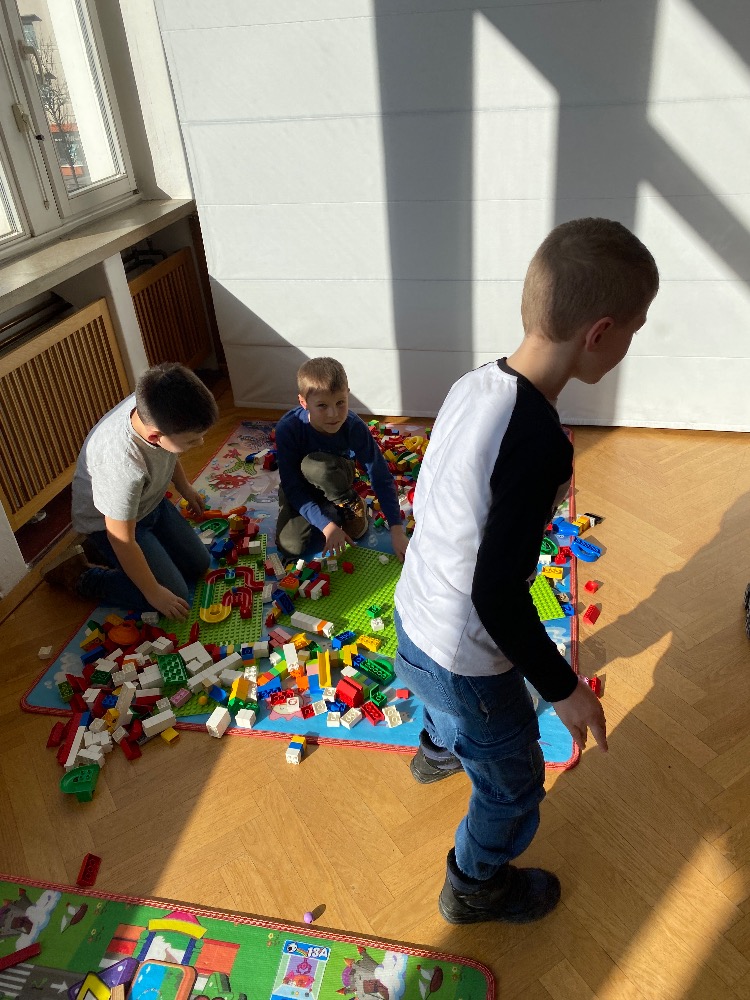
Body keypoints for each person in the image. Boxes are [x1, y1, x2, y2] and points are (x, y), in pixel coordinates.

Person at [394, 217, 659, 925]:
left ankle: (436, 750)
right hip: (465, 658)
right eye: (634, 330)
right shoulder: (538, 440)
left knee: (446, 708)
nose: (630, 346)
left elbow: (440, 504)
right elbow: (497, 594)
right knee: (512, 785)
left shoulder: (475, 382)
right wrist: (564, 688)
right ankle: (473, 885)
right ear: (599, 333)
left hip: (413, 617)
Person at [43, 362, 219, 621]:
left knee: (198, 564)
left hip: (149, 504)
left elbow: (167, 455)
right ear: (154, 436)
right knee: (172, 593)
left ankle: (105, 552)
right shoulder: (122, 466)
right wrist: (154, 593)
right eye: (192, 440)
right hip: (112, 528)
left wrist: (184, 486)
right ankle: (81, 575)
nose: (201, 443)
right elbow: (122, 540)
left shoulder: (154, 406)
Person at [274, 357, 409, 563]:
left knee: (316, 467)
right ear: (304, 403)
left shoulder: (353, 426)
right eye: (322, 405)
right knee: (291, 546)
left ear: (348, 394)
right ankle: (329, 513)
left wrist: (397, 531)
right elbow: (292, 486)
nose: (333, 414)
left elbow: (380, 475)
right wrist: (328, 527)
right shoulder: (288, 428)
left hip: (335, 475)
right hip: (301, 486)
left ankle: (348, 501)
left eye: (340, 403)